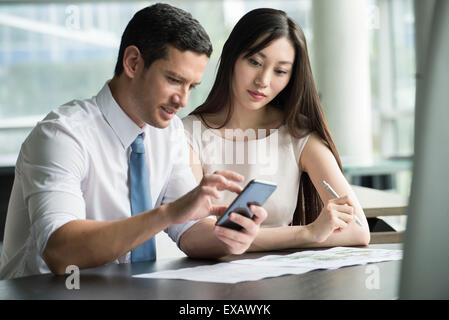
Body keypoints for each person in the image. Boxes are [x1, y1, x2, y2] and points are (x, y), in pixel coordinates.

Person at [0, 3, 267, 280]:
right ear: (133, 63)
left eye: (191, 86)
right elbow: (61, 252)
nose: (183, 100)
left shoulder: (169, 132)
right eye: (174, 80)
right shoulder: (61, 135)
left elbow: (188, 230)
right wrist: (167, 214)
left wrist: (228, 236)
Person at [182, 8, 370, 251]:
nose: (263, 80)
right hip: (210, 285)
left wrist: (236, 238)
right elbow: (194, 238)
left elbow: (357, 230)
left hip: (284, 282)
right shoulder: (189, 134)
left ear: (292, 77)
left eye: (280, 71)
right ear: (231, 56)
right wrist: (309, 233)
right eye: (255, 62)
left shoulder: (298, 134)